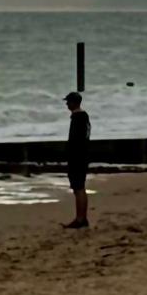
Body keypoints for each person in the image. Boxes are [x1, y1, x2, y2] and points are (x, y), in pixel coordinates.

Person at [62, 90, 92, 229]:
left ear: (74, 103)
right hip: (83, 156)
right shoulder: (84, 117)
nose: (67, 104)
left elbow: (75, 141)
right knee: (80, 188)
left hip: (77, 157)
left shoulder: (77, 118)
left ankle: (80, 218)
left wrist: (70, 156)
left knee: (78, 188)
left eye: (68, 101)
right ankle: (82, 217)